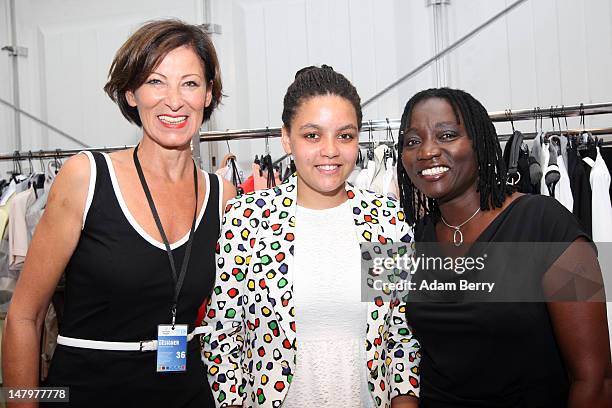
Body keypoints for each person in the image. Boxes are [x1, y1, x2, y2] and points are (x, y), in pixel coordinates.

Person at [2, 19, 235, 407]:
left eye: (190, 83)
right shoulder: (86, 177)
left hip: (186, 393)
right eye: (156, 81)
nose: (174, 100)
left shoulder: (222, 196)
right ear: (131, 93)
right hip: (87, 393)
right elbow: (24, 317)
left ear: (208, 94)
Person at [201, 65, 420, 408]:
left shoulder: (384, 220)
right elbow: (223, 338)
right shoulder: (248, 219)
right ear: (286, 138)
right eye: (312, 135)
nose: (330, 150)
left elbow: (399, 333)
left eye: (344, 135)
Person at [397, 87, 611, 407]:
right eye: (413, 141)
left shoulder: (547, 224)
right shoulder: (412, 238)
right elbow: (398, 349)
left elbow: (595, 380)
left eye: (446, 135)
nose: (427, 151)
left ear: (480, 144)